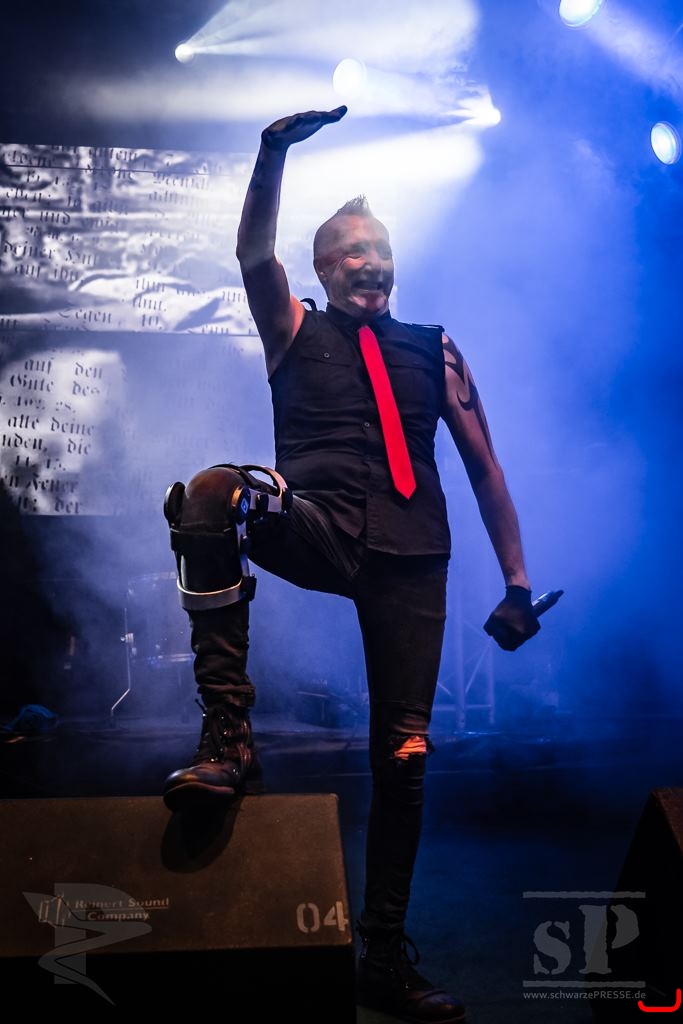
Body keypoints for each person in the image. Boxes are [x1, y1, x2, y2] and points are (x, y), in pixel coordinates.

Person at [161, 105, 541, 1024]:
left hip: (413, 554)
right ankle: (228, 736)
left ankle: (383, 954)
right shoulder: (293, 328)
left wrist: (518, 584)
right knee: (209, 492)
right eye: (352, 253)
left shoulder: (434, 348)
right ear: (325, 270)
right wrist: (271, 155)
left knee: (405, 755)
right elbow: (253, 254)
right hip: (316, 523)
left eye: (381, 252)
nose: (370, 263)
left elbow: (485, 469)